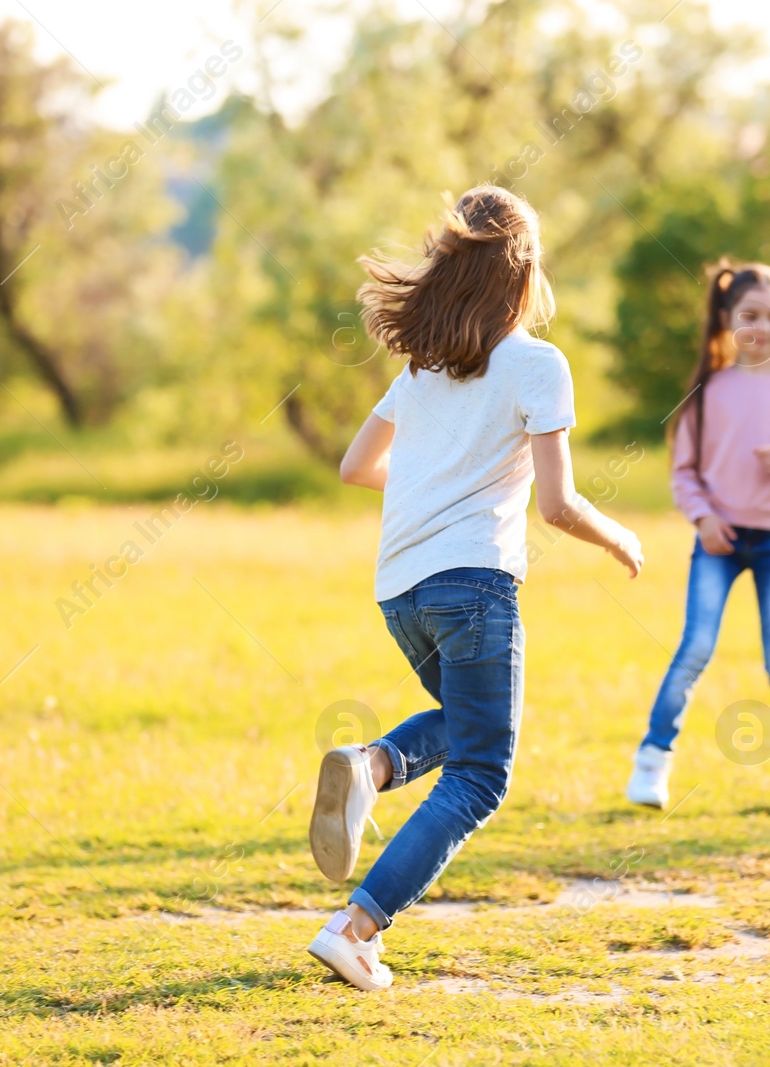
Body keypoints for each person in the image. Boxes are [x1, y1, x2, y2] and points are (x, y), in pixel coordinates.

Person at [307, 186, 644, 991]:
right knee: (484, 770)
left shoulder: (423, 368)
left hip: (400, 591)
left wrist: (430, 487)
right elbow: (559, 504)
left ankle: (376, 763)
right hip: (475, 585)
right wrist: (621, 536)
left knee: (463, 723)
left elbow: (356, 467)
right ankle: (356, 928)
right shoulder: (537, 362)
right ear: (525, 275)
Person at [626, 261, 770, 818]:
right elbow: (685, 473)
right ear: (729, 320)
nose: (761, 327)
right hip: (718, 541)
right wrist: (703, 519)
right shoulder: (709, 394)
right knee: (694, 649)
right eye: (749, 316)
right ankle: (652, 764)